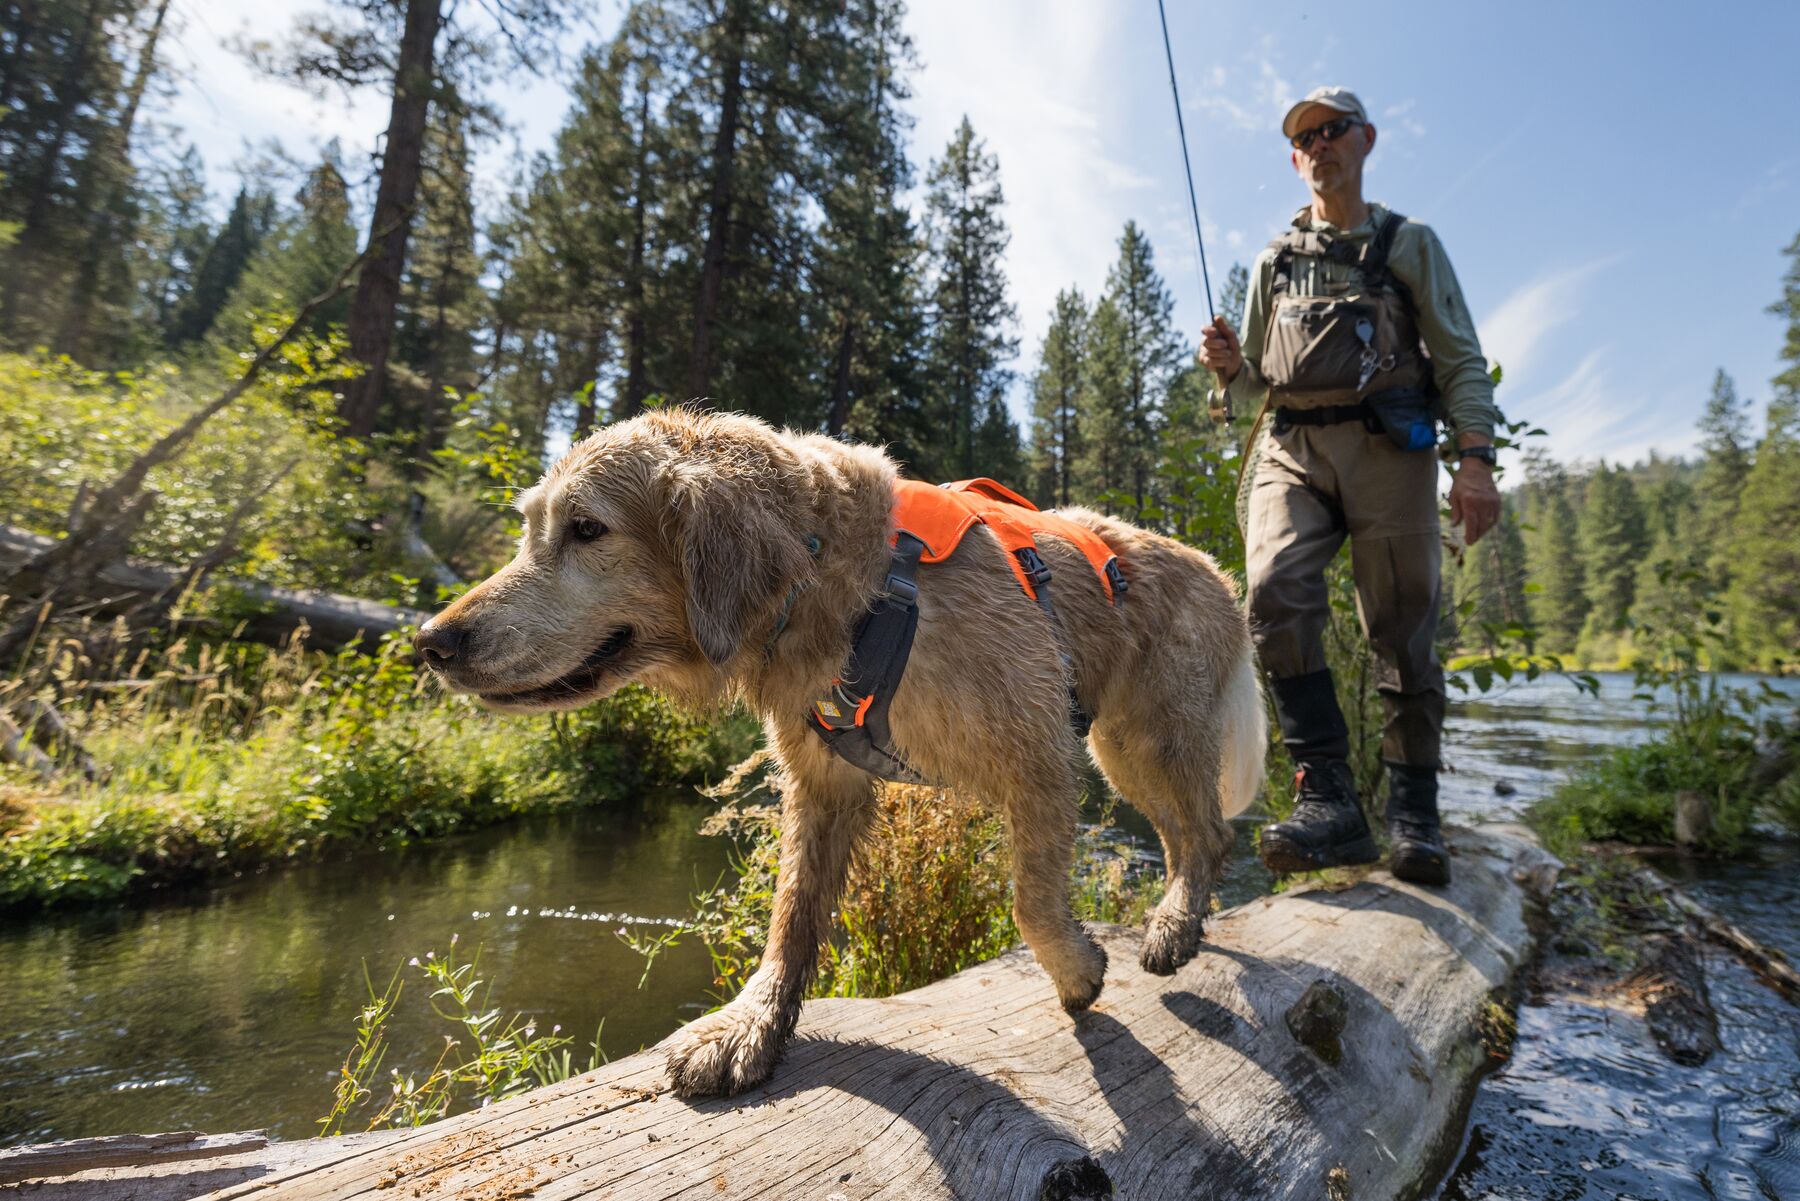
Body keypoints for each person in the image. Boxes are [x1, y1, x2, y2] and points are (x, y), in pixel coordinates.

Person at [1198, 86, 1502, 885]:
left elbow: (1462, 358)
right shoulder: (1274, 263)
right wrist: (1231, 371)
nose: (1321, 145)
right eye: (1306, 138)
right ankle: (1327, 797)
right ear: (1295, 159)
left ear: (1366, 139)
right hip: (1293, 450)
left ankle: (1414, 813)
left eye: (1334, 131)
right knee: (1272, 587)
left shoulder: (1410, 245)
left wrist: (1475, 459)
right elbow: (1255, 387)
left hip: (1389, 450)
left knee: (1402, 627)